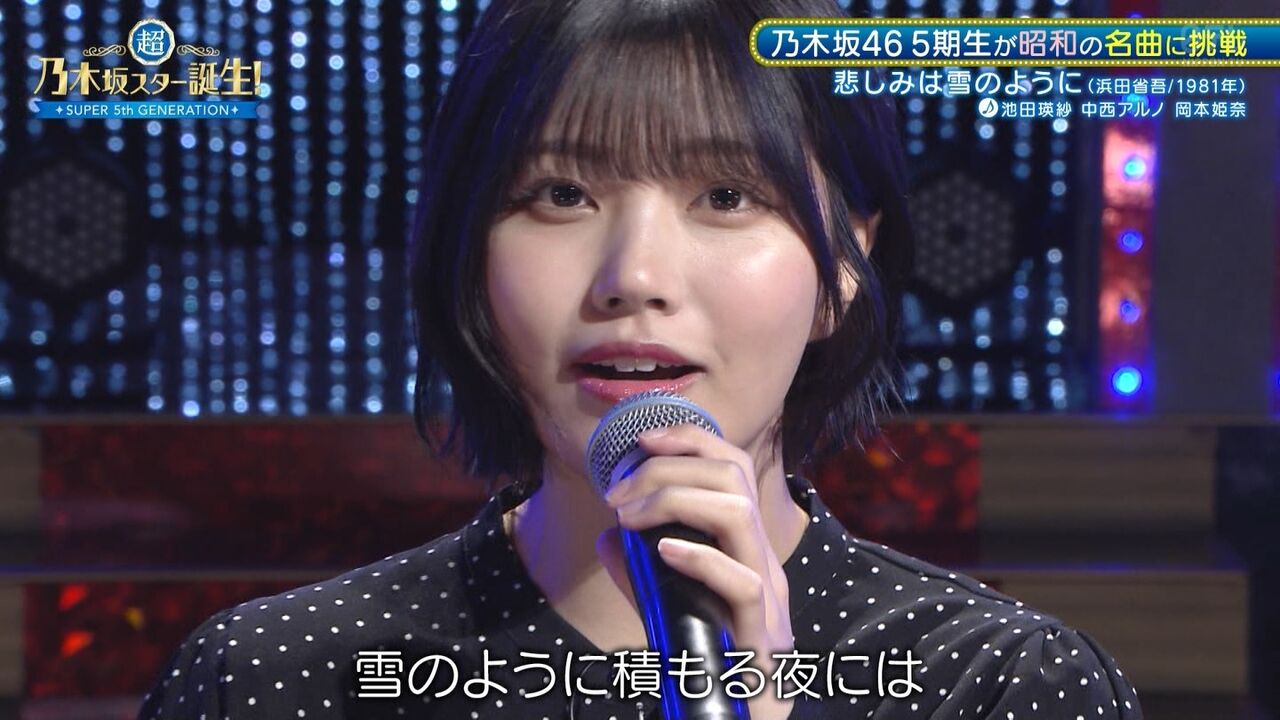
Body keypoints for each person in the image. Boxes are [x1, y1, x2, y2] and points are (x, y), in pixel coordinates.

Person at [138, 0, 1145, 718]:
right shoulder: (273, 678)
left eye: (725, 197)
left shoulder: (998, 685)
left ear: (844, 263)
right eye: (561, 196)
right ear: (466, 251)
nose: (635, 277)